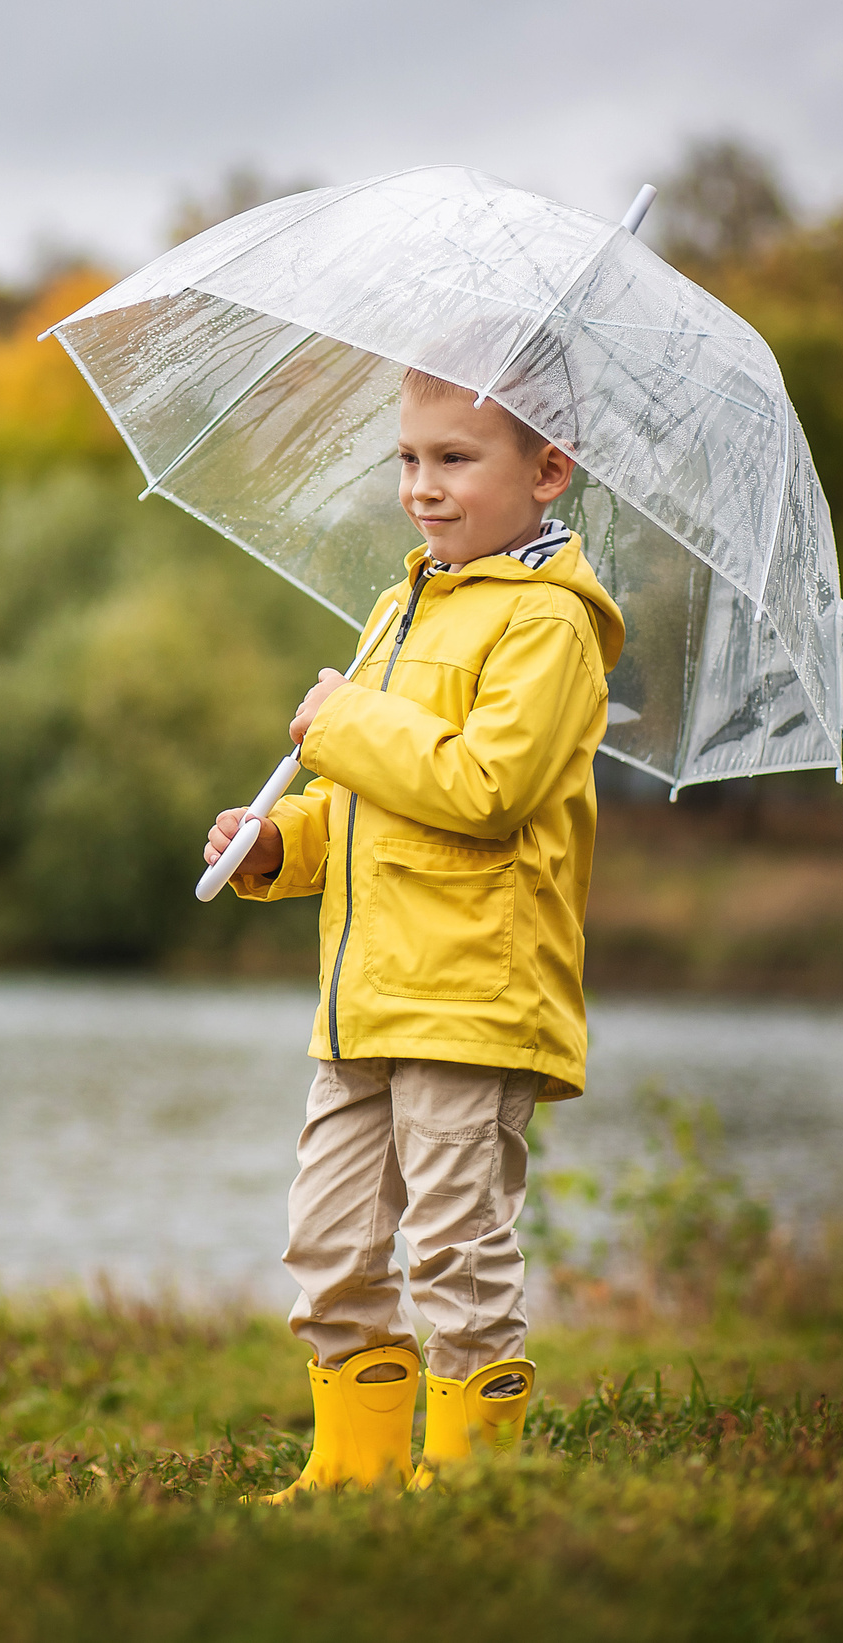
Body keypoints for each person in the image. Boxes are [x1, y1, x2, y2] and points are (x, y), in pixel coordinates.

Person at [204, 366, 624, 1495]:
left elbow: (485, 789)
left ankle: (468, 1482)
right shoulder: (403, 605)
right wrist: (281, 843)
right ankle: (354, 1475)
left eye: (454, 460)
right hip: (365, 996)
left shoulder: (551, 626)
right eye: (408, 459)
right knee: (327, 1250)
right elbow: (373, 805)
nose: (422, 489)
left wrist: (347, 719)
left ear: (546, 473)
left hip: (472, 999)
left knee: (454, 1249)